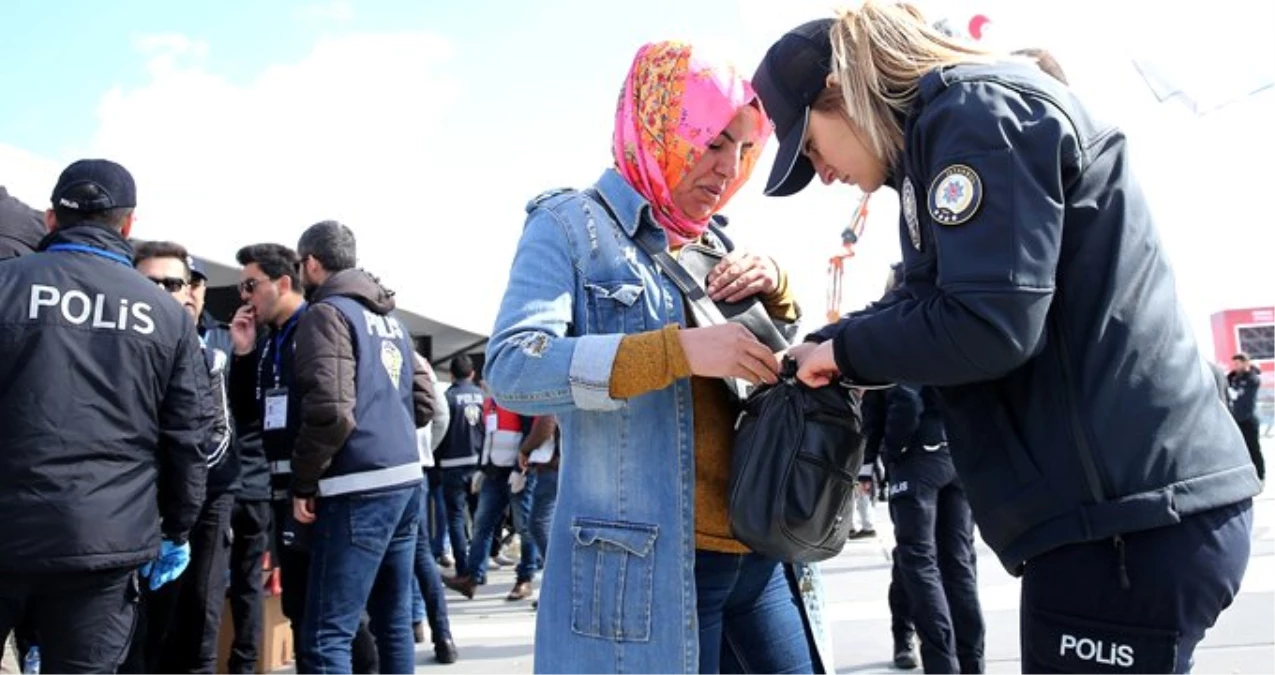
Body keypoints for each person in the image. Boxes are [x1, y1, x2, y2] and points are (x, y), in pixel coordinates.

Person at [754, 6, 1260, 673]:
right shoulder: (952, 131)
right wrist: (830, 341)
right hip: (1121, 518)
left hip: (1124, 527)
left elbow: (987, 322)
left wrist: (844, 353)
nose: (820, 172)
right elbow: (928, 298)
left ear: (842, 91)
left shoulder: (972, 114)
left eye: (811, 147)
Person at [485, 41, 824, 674]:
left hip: (761, 548)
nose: (728, 168)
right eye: (714, 141)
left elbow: (763, 372)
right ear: (662, 125)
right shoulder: (570, 226)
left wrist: (778, 292)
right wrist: (678, 351)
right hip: (655, 566)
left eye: (745, 149)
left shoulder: (716, 239)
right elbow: (513, 368)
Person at [0, 159, 209, 673]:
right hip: (105, 541)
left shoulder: (5, 286)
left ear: (51, 219)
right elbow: (186, 436)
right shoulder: (163, 313)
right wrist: (177, 528)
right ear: (129, 224)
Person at [289, 220, 436, 674]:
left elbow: (331, 411)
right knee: (393, 622)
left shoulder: (326, 313)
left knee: (324, 635)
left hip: (357, 487)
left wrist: (303, 480)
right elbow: (426, 401)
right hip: (405, 480)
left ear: (312, 263)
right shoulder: (391, 320)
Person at [228, 243, 381, 674]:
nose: (245, 296)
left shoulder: (316, 326)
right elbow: (246, 415)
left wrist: (308, 481)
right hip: (283, 491)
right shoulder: (268, 340)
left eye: (251, 285)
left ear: (282, 282)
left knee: (340, 617)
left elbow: (334, 410)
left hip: (320, 490)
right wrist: (243, 353)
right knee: (298, 606)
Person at [123, 241, 238, 675]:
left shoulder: (207, 356)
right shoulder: (106, 351)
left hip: (187, 512)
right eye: (150, 281)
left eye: (172, 283)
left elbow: (217, 438)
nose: (162, 291)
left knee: (190, 628)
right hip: (119, 513)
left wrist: (178, 494)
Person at [1228, 353, 1265, 482]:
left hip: (1249, 419)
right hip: (1236, 419)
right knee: (1239, 450)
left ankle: (1260, 475)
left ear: (1245, 363)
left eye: (1238, 364)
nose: (1235, 367)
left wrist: (1251, 369)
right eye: (1234, 364)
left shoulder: (1252, 378)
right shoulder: (1234, 377)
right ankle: (1245, 476)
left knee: (1253, 448)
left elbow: (1244, 393)